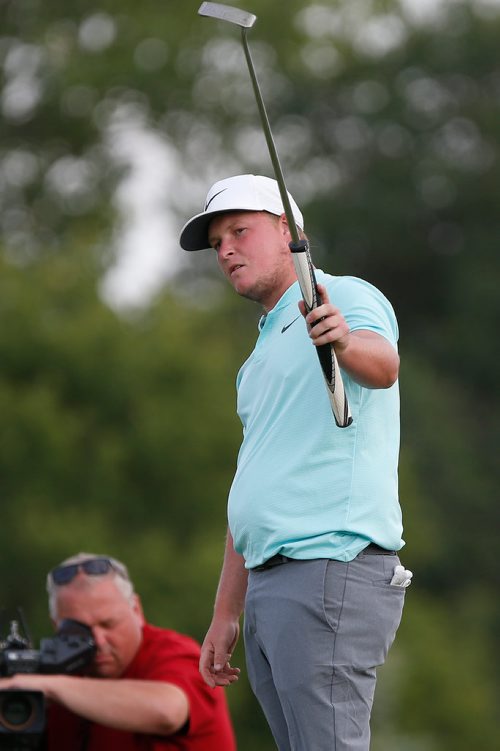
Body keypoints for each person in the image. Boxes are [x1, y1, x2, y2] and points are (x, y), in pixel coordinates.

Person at [179, 174, 411, 751]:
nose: (226, 250)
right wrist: (225, 612)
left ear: (288, 231)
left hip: (328, 566)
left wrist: (344, 343)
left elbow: (384, 366)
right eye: (217, 245)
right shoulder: (257, 358)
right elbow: (252, 486)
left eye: (239, 231)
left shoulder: (342, 294)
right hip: (271, 583)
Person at [0, 552, 236, 751]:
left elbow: (167, 711)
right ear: (56, 627)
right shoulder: (53, 674)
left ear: (136, 609)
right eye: (78, 632)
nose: (98, 641)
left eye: (108, 624)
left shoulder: (173, 653)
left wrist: (47, 686)